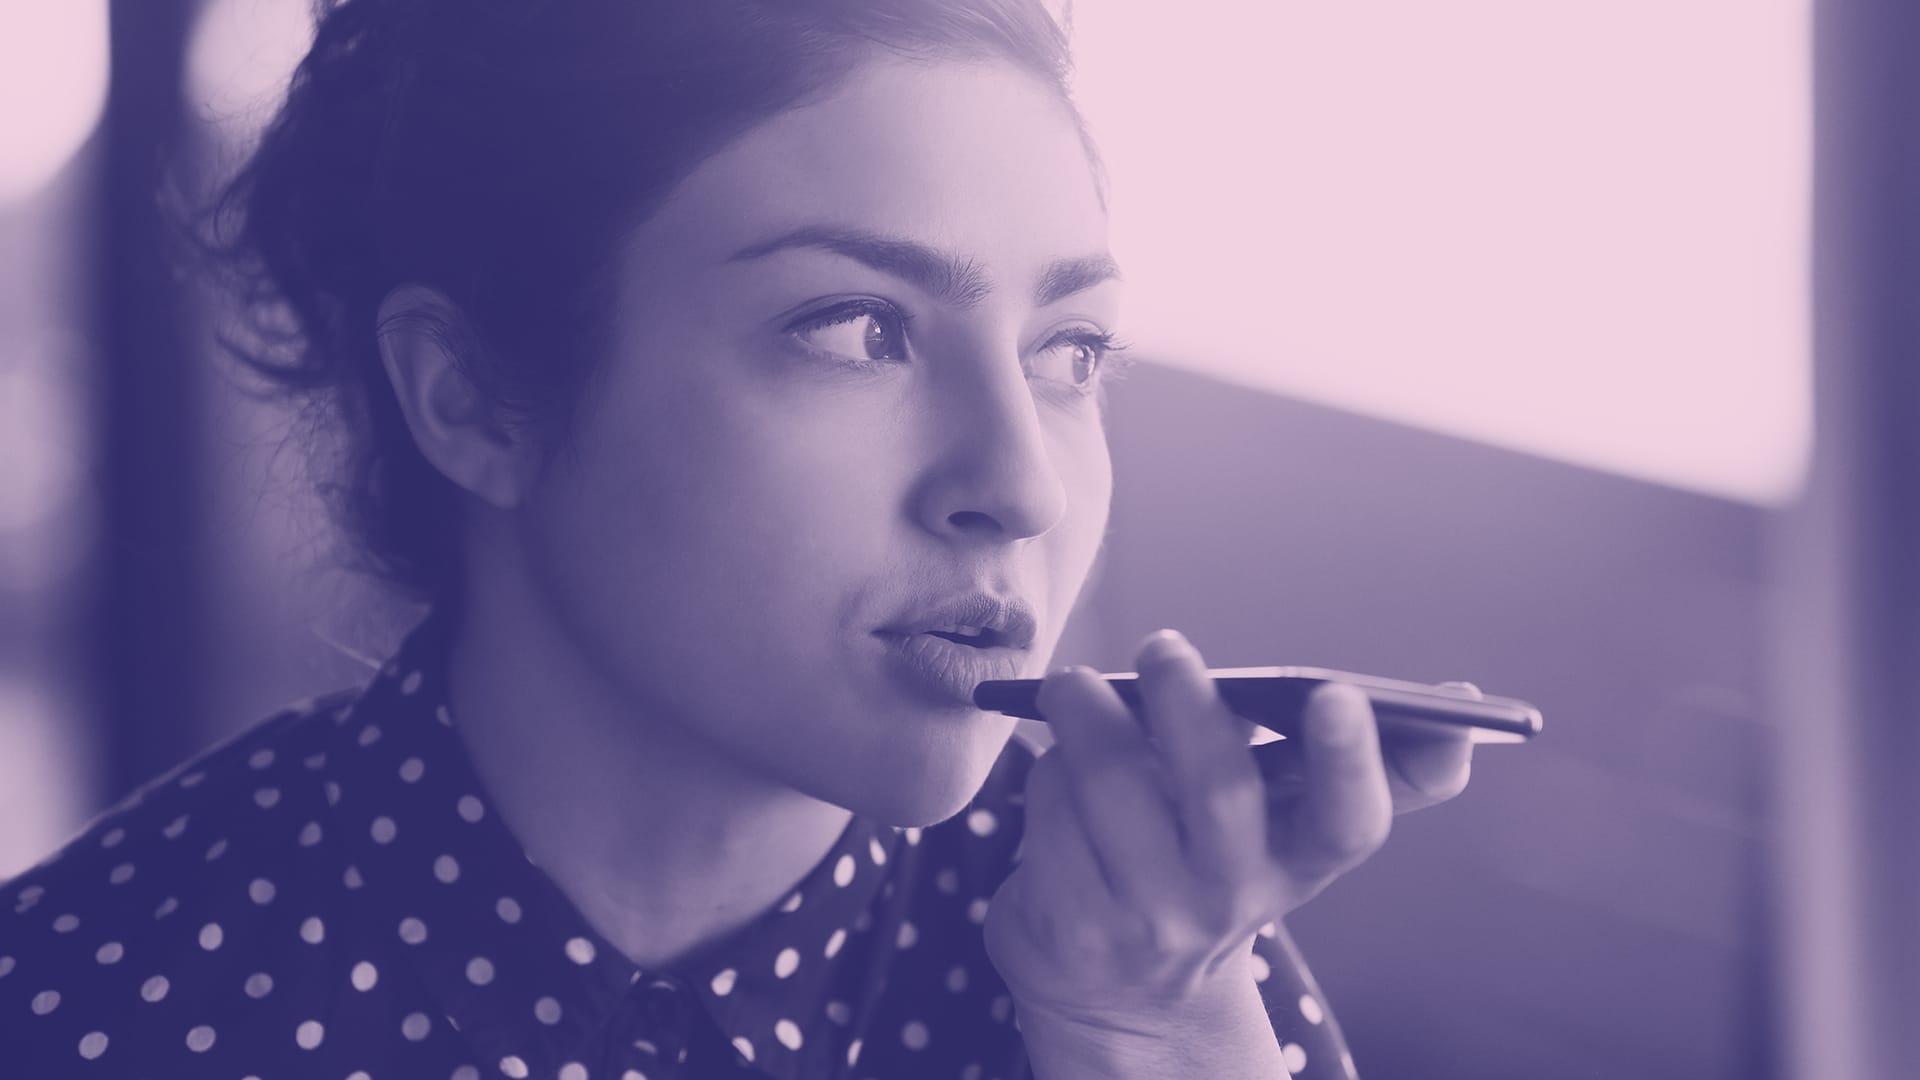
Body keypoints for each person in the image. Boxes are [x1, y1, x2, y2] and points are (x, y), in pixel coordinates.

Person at [0, 1, 1474, 1077]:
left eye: (1070, 351)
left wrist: (1146, 1037)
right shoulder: (89, 1006)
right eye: (854, 330)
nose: (1019, 485)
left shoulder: (1165, 947)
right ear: (473, 402)